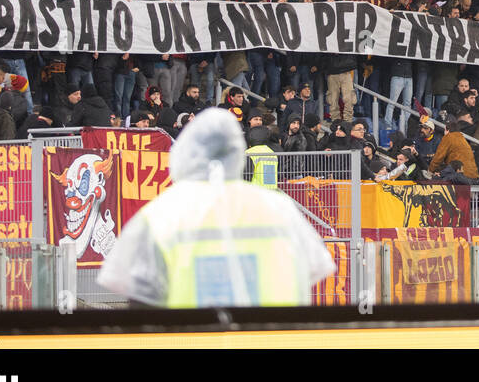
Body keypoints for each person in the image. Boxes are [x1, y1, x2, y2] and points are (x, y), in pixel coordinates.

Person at [99, 109, 335, 307]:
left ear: (186, 153)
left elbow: (139, 298)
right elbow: (313, 273)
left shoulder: (160, 214)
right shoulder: (278, 209)